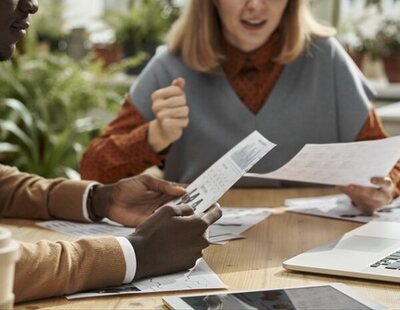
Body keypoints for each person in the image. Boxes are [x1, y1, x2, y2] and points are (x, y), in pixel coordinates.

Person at [80, 0, 400, 216]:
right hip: (197, 246)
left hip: (315, 240)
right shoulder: (169, 66)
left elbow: (390, 165)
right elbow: (93, 170)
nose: (256, 6)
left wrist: (383, 189)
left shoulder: (328, 59)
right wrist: (154, 136)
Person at [0, 0, 222, 303]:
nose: (32, 5)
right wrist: (139, 253)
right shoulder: (172, 64)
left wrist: (99, 199)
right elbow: (96, 164)